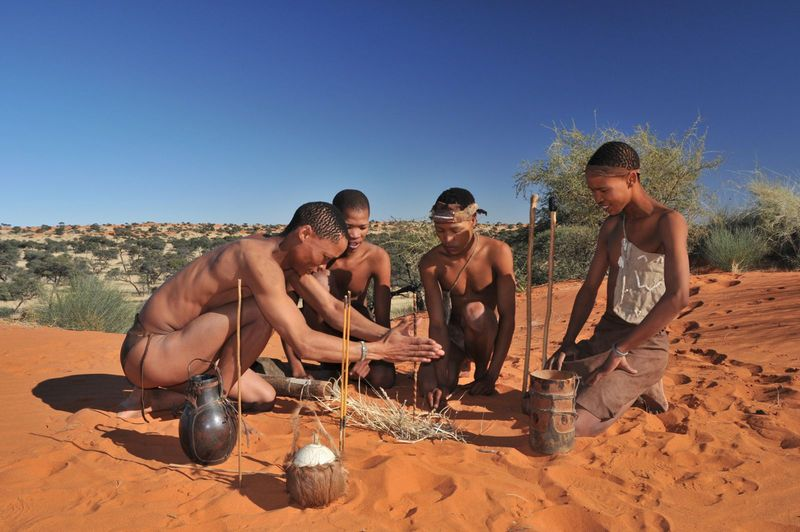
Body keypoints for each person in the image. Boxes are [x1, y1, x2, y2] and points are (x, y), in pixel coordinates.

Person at [118, 202, 443, 418]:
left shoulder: (285, 260)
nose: (324, 265)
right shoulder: (257, 258)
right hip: (150, 351)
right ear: (305, 234)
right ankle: (210, 403)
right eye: (324, 255)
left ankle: (159, 399)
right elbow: (302, 340)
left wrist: (389, 337)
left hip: (184, 351)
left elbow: (331, 308)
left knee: (261, 398)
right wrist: (371, 350)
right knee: (264, 310)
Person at [547, 141, 690, 437]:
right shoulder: (611, 227)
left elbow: (678, 297)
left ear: (631, 179)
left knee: (569, 426)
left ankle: (633, 388)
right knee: (540, 395)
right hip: (607, 335)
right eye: (592, 191)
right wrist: (568, 342)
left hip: (645, 343)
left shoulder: (668, 222)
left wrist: (622, 350)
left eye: (603, 190)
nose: (597, 198)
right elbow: (589, 289)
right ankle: (637, 385)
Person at [283, 190, 396, 388]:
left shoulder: (377, 257)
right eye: (348, 226)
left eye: (363, 227)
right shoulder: (311, 253)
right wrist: (296, 367)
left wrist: (369, 355)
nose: (355, 235)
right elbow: (285, 312)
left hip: (360, 335)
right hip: (320, 335)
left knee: (383, 379)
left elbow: (382, 319)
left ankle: (344, 366)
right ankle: (334, 362)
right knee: (319, 279)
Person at [418, 188, 516, 410]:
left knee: (475, 313)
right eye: (440, 231)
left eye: (455, 230)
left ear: (473, 220)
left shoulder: (498, 252)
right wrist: (441, 380)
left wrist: (491, 375)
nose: (447, 239)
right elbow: (436, 323)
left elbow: (508, 318)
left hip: (484, 333)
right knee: (428, 386)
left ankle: (480, 370)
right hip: (453, 337)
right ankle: (457, 364)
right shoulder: (430, 263)